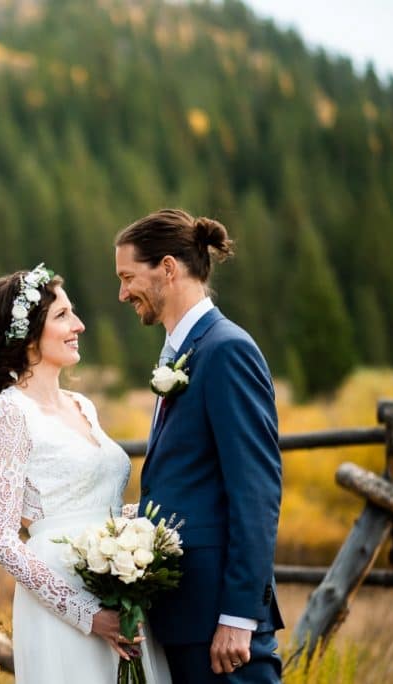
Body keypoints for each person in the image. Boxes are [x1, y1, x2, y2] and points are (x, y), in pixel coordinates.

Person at [0, 264, 171, 683]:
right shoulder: (9, 414)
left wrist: (153, 526)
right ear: (26, 334)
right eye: (62, 316)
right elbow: (0, 537)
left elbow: (95, 503)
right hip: (64, 600)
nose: (78, 325)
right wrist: (87, 616)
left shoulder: (83, 405)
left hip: (119, 585)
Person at [114, 209, 284, 683]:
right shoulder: (182, 352)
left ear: (168, 268)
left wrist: (238, 615)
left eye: (129, 277)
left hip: (220, 625)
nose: (123, 292)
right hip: (185, 616)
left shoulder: (226, 349)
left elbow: (256, 491)